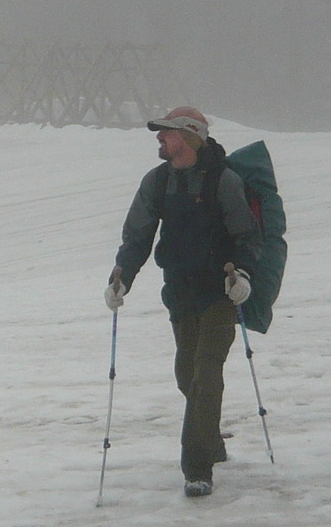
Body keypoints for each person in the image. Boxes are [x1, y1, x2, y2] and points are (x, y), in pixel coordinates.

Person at [105, 106, 261, 498]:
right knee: (186, 376)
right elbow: (137, 236)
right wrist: (121, 278)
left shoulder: (223, 182)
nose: (159, 138)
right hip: (178, 294)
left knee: (205, 374)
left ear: (190, 137)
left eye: (167, 133)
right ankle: (211, 440)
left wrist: (241, 274)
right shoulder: (157, 183)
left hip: (219, 295)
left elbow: (247, 236)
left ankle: (197, 468)